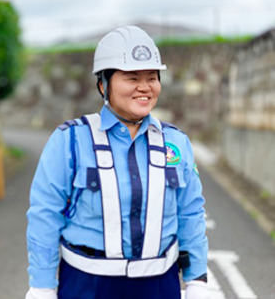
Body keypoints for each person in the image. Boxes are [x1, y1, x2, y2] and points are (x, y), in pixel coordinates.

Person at [25, 25, 210, 299]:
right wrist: (42, 285)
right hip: (86, 286)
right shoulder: (70, 140)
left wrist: (197, 279)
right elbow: (45, 214)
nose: (144, 87)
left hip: (160, 286)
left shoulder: (176, 142)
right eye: (132, 78)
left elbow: (190, 213)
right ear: (103, 84)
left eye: (152, 77)